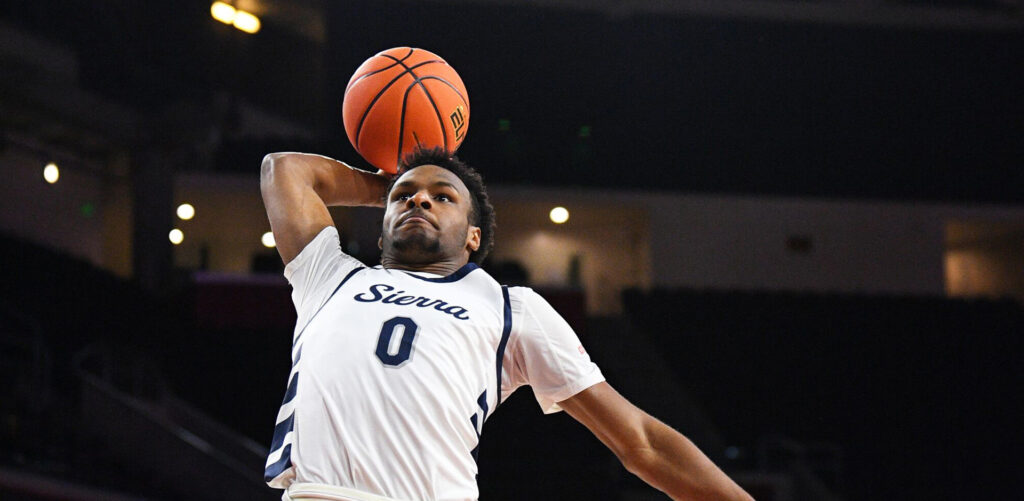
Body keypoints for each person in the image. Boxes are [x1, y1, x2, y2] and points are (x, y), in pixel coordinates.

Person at [260, 147, 754, 501]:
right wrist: (385, 186)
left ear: (473, 237)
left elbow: (639, 440)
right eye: (404, 197)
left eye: (443, 197)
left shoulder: (512, 307)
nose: (419, 200)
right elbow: (283, 169)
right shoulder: (329, 275)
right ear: (381, 223)